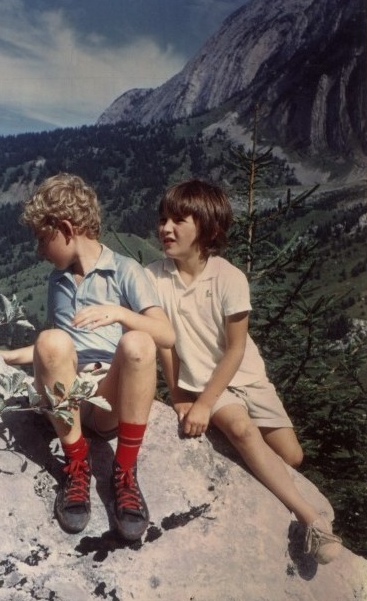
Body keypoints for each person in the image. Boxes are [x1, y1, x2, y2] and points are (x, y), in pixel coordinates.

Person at [145, 178, 342, 564]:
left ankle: (266, 469)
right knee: (239, 428)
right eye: (163, 219)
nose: (165, 228)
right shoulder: (153, 277)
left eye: (178, 220)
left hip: (245, 376)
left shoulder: (229, 278)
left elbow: (235, 350)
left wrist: (205, 403)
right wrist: (188, 398)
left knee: (293, 456)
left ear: (207, 228)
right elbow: (164, 343)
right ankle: (312, 520)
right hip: (204, 382)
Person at [0, 173, 175, 541]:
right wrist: (10, 356)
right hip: (70, 396)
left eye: (42, 239)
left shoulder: (126, 270)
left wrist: (121, 314)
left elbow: (167, 335)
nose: (40, 251)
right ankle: (77, 463)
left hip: (110, 394)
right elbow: (55, 350)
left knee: (138, 342)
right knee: (50, 337)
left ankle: (124, 471)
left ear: (64, 228)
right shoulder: (56, 281)